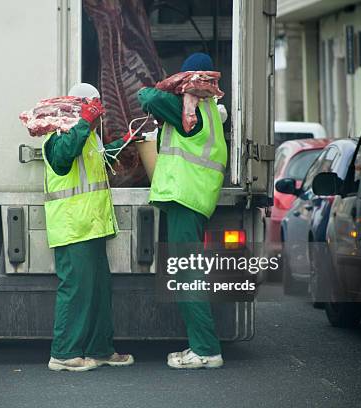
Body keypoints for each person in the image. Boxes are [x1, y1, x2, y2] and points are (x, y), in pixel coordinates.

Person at [137, 53, 227, 369]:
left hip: (185, 199)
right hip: (193, 199)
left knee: (188, 275)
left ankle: (205, 350)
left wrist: (173, 84)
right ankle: (202, 346)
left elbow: (145, 95)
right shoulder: (209, 110)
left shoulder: (190, 109)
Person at [43, 83, 137, 372]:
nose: (98, 114)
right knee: (76, 290)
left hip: (92, 225)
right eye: (93, 108)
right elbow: (61, 159)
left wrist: (123, 141)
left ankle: (100, 349)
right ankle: (64, 353)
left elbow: (97, 158)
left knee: (98, 290)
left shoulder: (89, 134)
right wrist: (84, 122)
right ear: (81, 106)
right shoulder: (59, 131)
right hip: (73, 228)